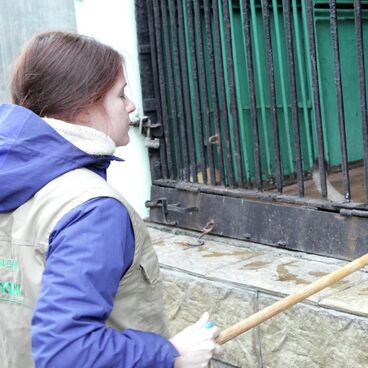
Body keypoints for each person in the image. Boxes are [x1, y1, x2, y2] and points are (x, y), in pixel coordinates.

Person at [0, 31, 224, 367]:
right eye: (121, 95)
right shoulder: (90, 208)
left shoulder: (15, 183)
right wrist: (171, 356)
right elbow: (67, 350)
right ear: (84, 107)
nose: (132, 106)